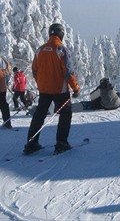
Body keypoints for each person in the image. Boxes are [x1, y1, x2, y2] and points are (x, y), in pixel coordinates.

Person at [24, 23, 81, 155]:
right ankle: (61, 143)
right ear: (61, 34)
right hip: (60, 90)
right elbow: (68, 72)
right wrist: (76, 88)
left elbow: (34, 70)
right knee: (65, 114)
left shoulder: (40, 50)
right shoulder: (61, 49)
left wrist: (41, 84)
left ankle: (31, 143)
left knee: (39, 115)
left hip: (44, 91)